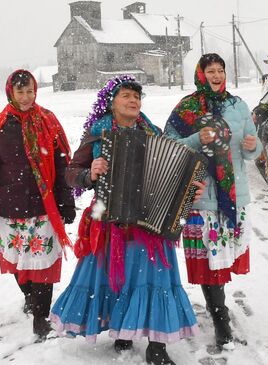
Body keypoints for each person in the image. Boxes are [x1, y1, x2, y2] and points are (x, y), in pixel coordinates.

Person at [50, 75, 203, 365]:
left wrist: (190, 190)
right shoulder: (98, 134)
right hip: (110, 219)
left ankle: (157, 347)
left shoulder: (154, 133)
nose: (134, 101)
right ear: (112, 102)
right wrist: (89, 173)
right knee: (116, 279)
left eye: (137, 97)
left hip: (150, 222)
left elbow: (177, 173)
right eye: (126, 96)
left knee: (153, 280)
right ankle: (123, 331)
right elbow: (71, 173)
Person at [164, 53, 263, 350]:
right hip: (202, 196)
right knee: (210, 262)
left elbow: (253, 149)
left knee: (222, 260)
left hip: (233, 195)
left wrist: (252, 145)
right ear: (201, 74)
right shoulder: (187, 108)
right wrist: (196, 139)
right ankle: (220, 317)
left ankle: (218, 308)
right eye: (211, 71)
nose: (217, 75)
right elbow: (169, 146)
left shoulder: (238, 105)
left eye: (221, 70)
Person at [0, 69, 75, 340]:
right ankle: (30, 297)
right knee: (18, 261)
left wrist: (66, 200)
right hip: (9, 207)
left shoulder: (47, 121)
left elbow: (61, 162)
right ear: (11, 92)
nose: (26, 97)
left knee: (43, 263)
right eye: (20, 91)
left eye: (30, 91)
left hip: (43, 205)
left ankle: (41, 318)